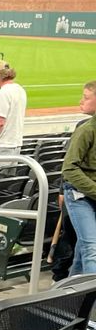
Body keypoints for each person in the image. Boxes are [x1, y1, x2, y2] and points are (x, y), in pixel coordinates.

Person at [61, 80, 96, 276]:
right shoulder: (86, 130)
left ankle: (70, 290)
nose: (81, 101)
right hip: (79, 196)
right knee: (92, 248)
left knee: (84, 251)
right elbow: (69, 169)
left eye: (86, 97)